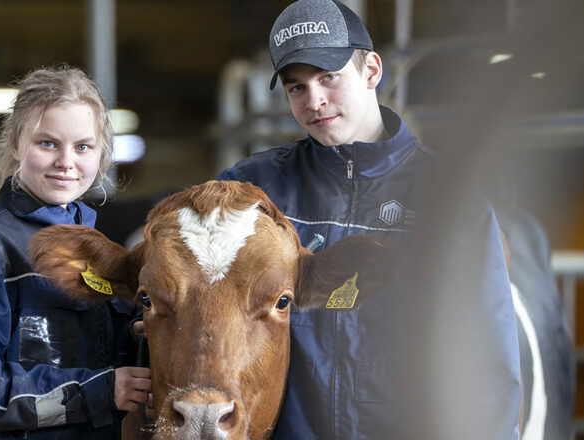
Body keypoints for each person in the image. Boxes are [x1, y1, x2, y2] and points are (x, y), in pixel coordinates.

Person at [217, 0, 522, 438]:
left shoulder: (449, 199)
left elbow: (489, 363)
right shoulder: (254, 191)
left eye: (328, 78)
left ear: (372, 71)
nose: (314, 101)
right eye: (296, 87)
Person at [0, 66, 151, 440]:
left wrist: (140, 335)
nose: (66, 162)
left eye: (83, 146)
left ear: (102, 153)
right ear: (15, 144)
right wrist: (99, 391)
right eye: (48, 143)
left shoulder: (92, 249)